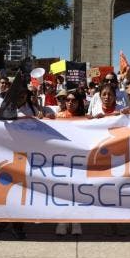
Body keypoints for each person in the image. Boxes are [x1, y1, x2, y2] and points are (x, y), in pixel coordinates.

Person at [54, 89, 87, 236]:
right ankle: (62, 221)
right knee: (62, 190)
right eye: (67, 100)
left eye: (73, 100)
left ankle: (76, 221)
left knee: (77, 191)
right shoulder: (57, 117)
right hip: (61, 160)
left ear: (79, 102)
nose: (70, 102)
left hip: (79, 161)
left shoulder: (86, 119)